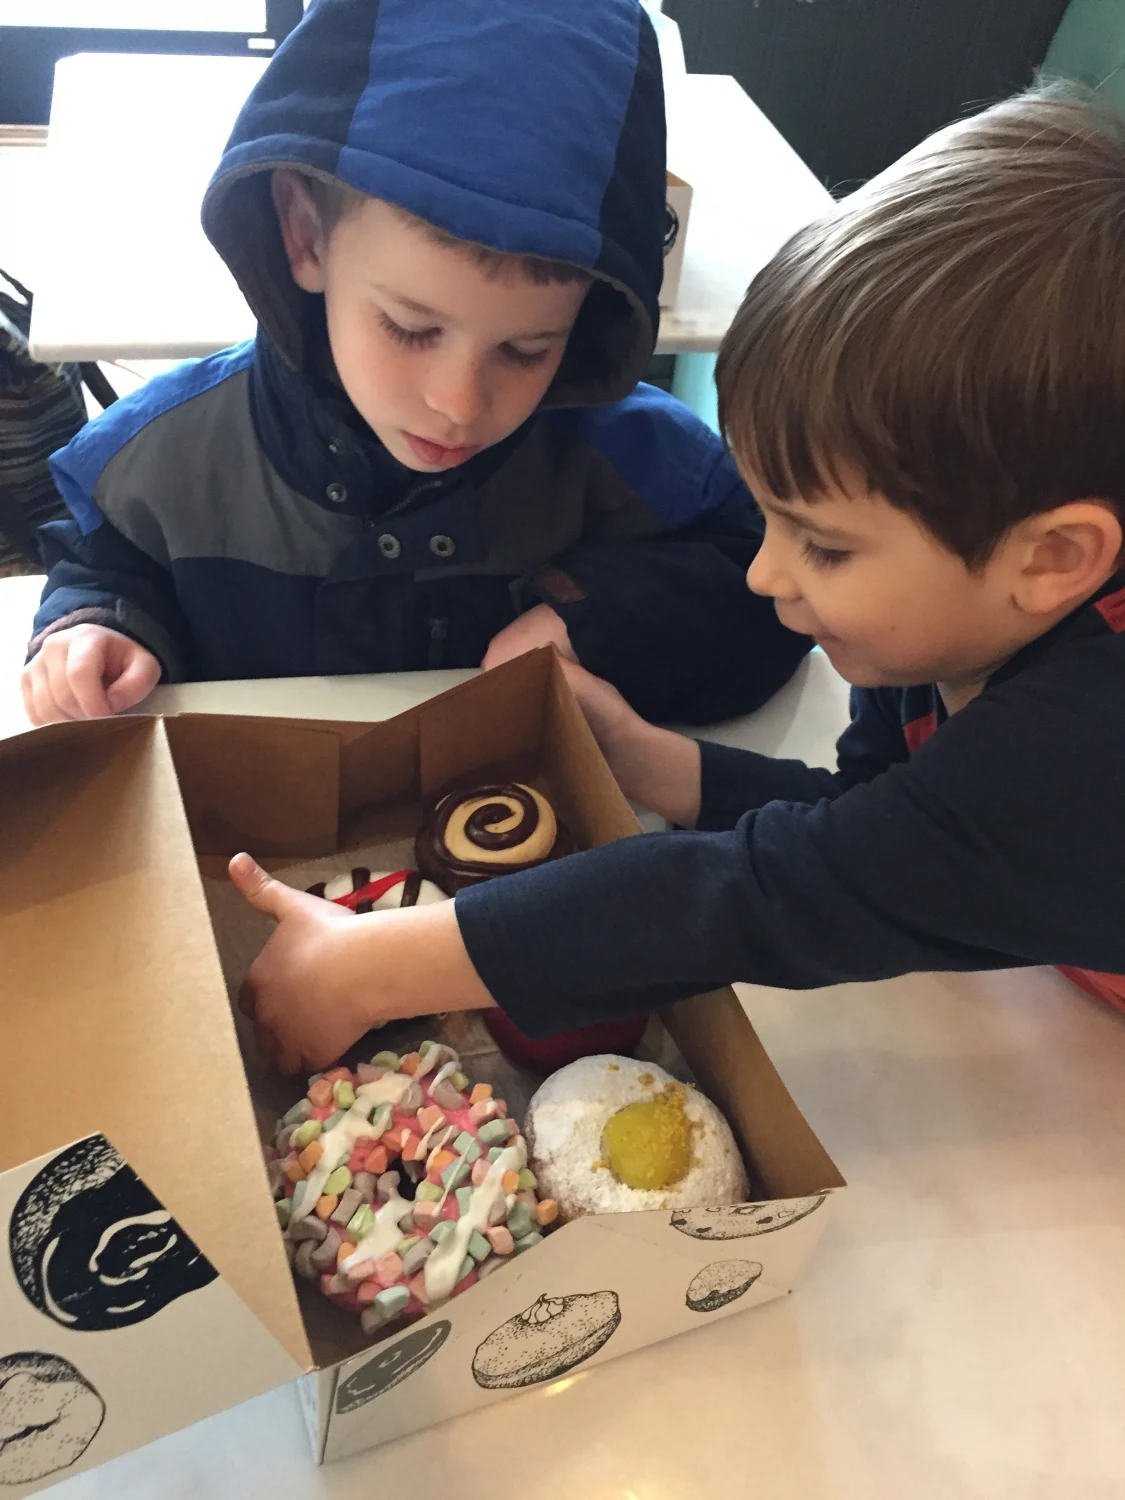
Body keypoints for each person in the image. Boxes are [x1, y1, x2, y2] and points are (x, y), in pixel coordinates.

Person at [230, 88, 1125, 1075]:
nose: (764, 572)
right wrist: (658, 764)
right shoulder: (957, 617)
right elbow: (873, 818)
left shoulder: (1084, 741)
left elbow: (767, 896)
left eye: (823, 547)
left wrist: (376, 969)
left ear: (1052, 559)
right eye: (768, 513)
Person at [19, 0, 808, 729]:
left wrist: (596, 613)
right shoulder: (158, 458)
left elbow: (772, 579)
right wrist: (98, 626)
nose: (460, 404)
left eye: (527, 349)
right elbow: (103, 560)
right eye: (409, 328)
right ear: (305, 233)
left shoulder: (630, 455)